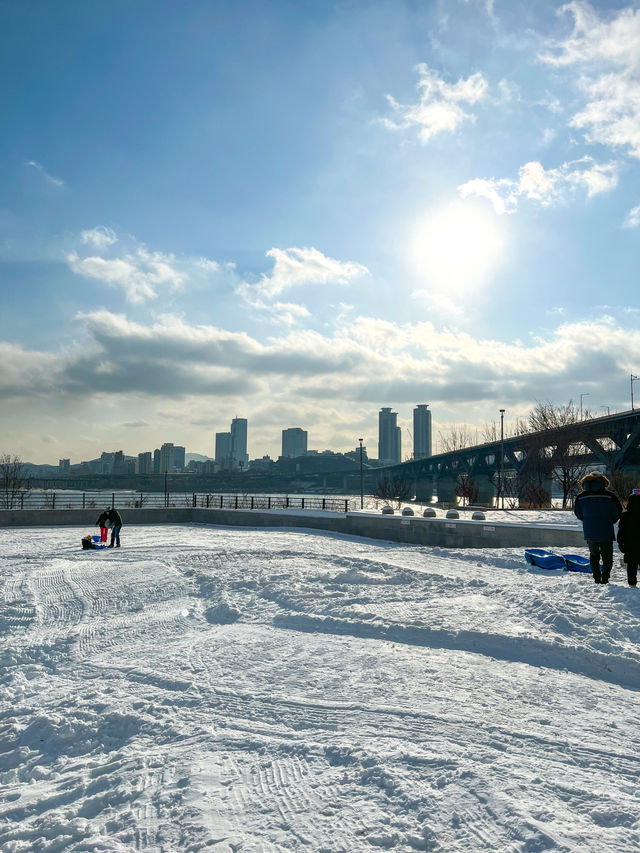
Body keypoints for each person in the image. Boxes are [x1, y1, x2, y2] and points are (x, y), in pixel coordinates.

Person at [574, 471, 622, 584]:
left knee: (594, 555)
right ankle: (605, 578)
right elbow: (617, 511)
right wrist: (610, 521)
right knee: (607, 556)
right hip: (606, 529)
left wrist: (587, 521)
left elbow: (578, 513)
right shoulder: (610, 496)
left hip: (590, 530)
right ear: (604, 482)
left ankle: (596, 578)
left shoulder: (581, 497)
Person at [617, 492, 640, 587]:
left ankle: (632, 584)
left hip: (630, 545)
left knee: (631, 565)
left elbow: (621, 531)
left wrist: (620, 543)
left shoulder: (625, 516)